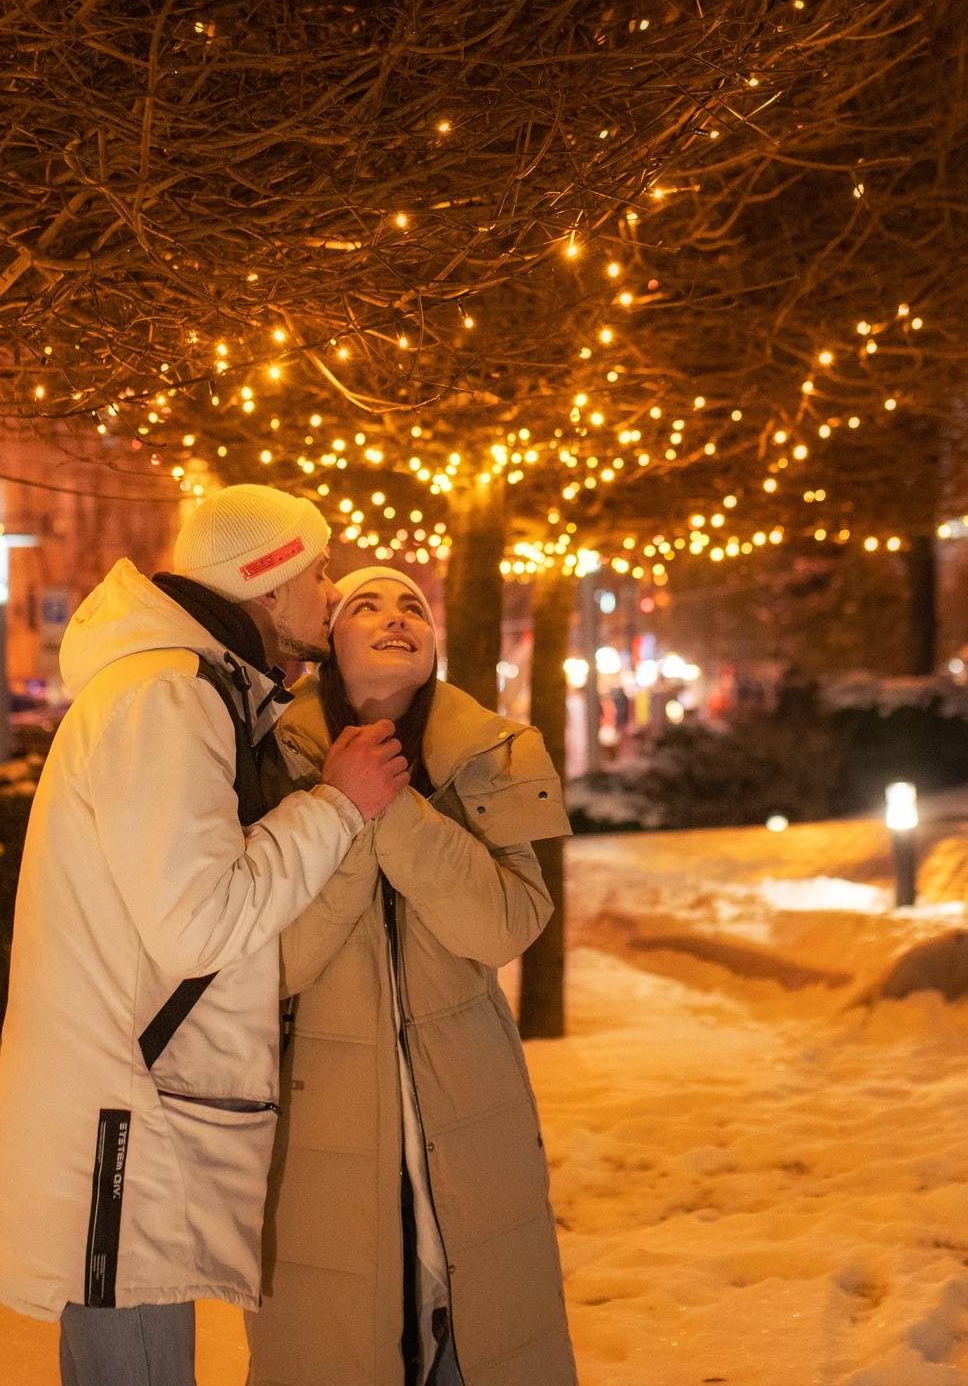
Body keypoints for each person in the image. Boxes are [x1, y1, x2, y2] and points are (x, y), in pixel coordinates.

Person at [0, 483, 412, 1385]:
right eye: (318, 571)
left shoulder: (179, 689)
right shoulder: (168, 699)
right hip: (125, 1127)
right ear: (267, 583)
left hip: (126, 1108)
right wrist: (338, 806)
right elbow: (198, 921)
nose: (331, 592)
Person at [250, 566, 577, 1386]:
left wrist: (390, 808)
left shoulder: (489, 754)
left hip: (472, 1108)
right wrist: (341, 807)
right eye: (365, 606)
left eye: (413, 609)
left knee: (484, 1341)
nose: (397, 618)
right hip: (316, 1117)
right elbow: (271, 963)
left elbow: (504, 926)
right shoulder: (268, 759)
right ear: (329, 644)